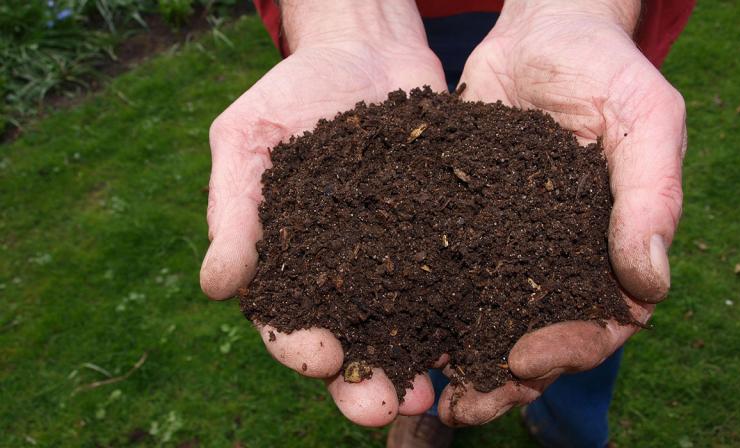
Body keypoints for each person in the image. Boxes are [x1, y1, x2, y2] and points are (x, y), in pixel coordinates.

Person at [200, 1, 694, 446]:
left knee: (581, 323)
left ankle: (572, 429)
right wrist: (345, 20)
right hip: (385, 27)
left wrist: (576, 13)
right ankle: (431, 394)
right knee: (428, 324)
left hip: (563, 28)